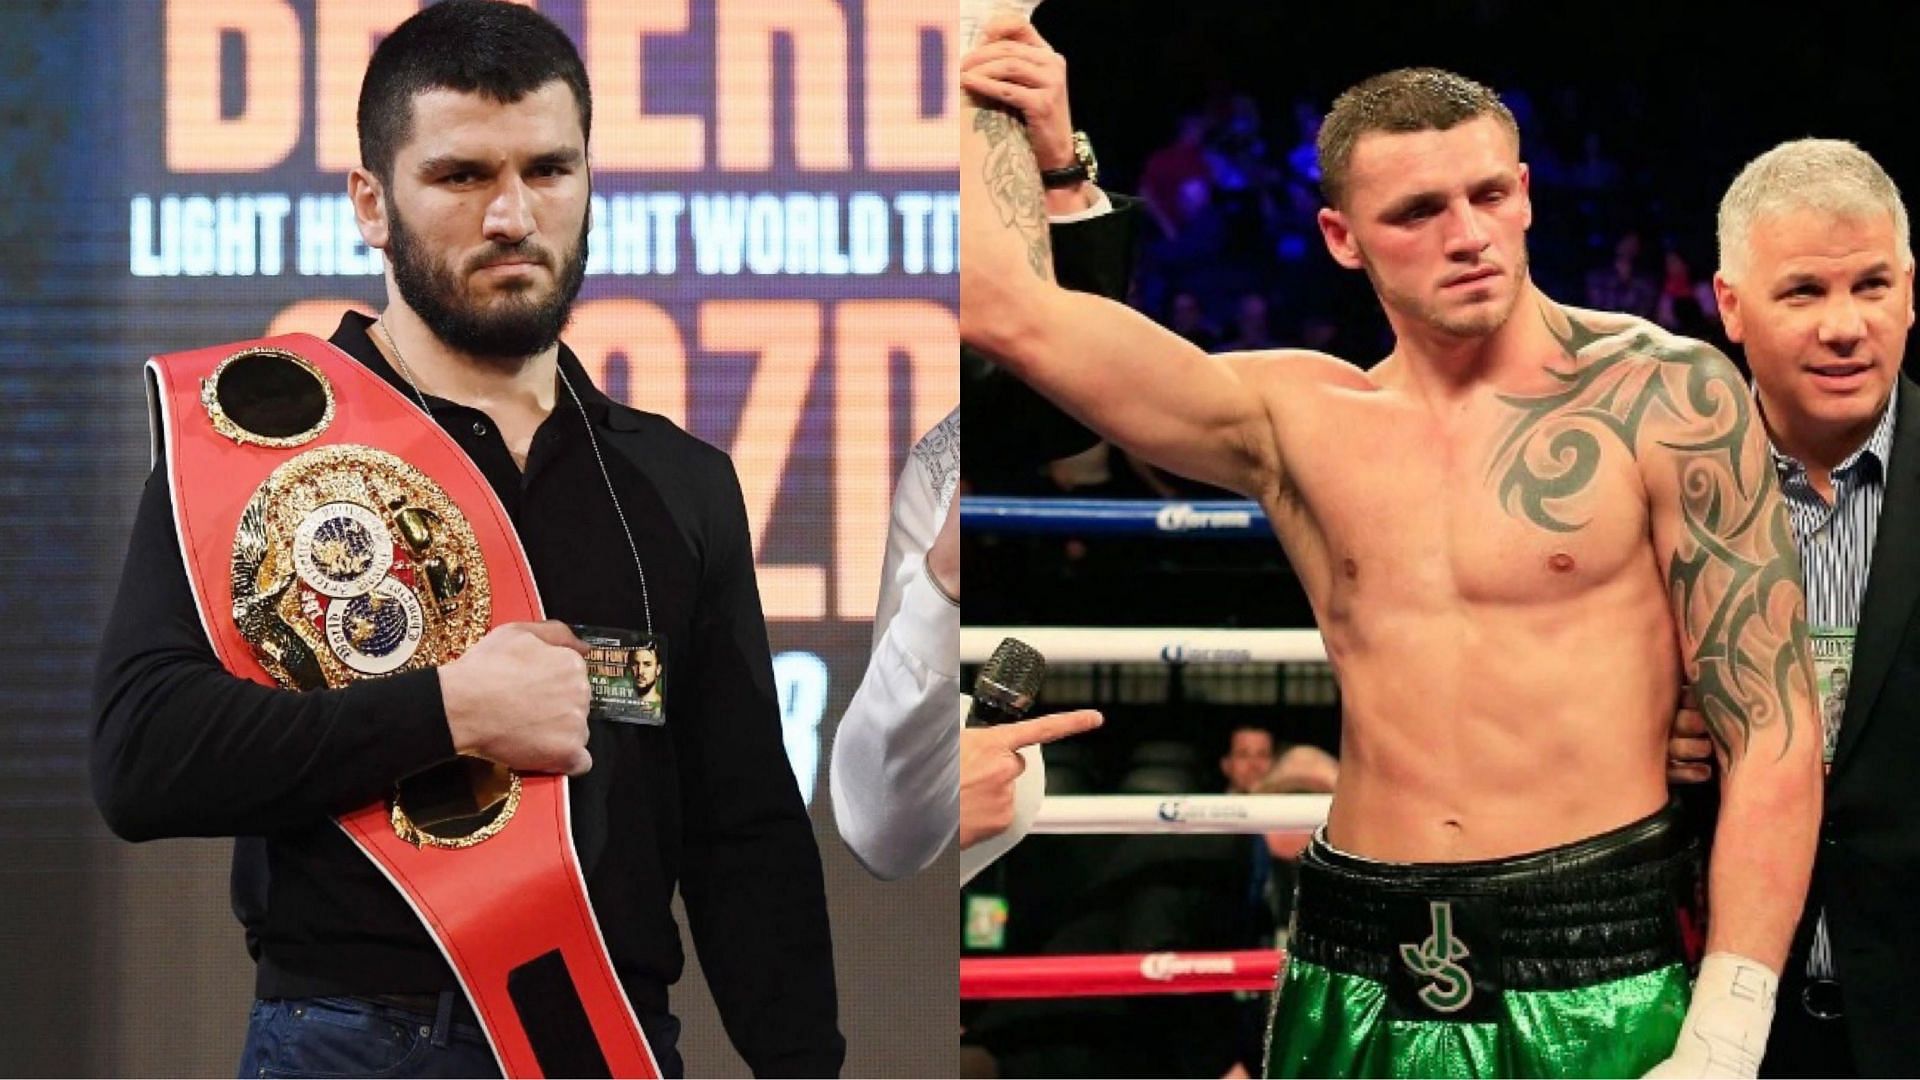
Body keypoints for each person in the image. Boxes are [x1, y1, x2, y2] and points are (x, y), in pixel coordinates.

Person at [962, 30, 1821, 1078]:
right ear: (1342, 236)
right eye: (1417, 212)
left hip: (1597, 961)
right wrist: (1043, 144)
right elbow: (1012, 311)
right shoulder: (1294, 419)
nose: (1468, 234)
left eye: (1489, 195)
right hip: (1353, 958)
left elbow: (1773, 725)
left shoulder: (1667, 397)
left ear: (1528, 195)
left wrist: (1728, 1029)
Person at [88, 3, 841, 1076]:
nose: (512, 215)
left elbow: (746, 833)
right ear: (371, 204)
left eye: (548, 169)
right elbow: (143, 759)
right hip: (347, 1038)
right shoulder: (260, 449)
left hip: (608, 1040)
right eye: (461, 176)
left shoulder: (680, 483)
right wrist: (450, 711)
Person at [1665, 137, 1920, 1078]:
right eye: (1805, 292)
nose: (1847, 326)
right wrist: (1648, 736)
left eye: (1873, 285)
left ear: (1912, 289)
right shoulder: (1663, 492)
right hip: (1718, 1021)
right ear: (1730, 305)